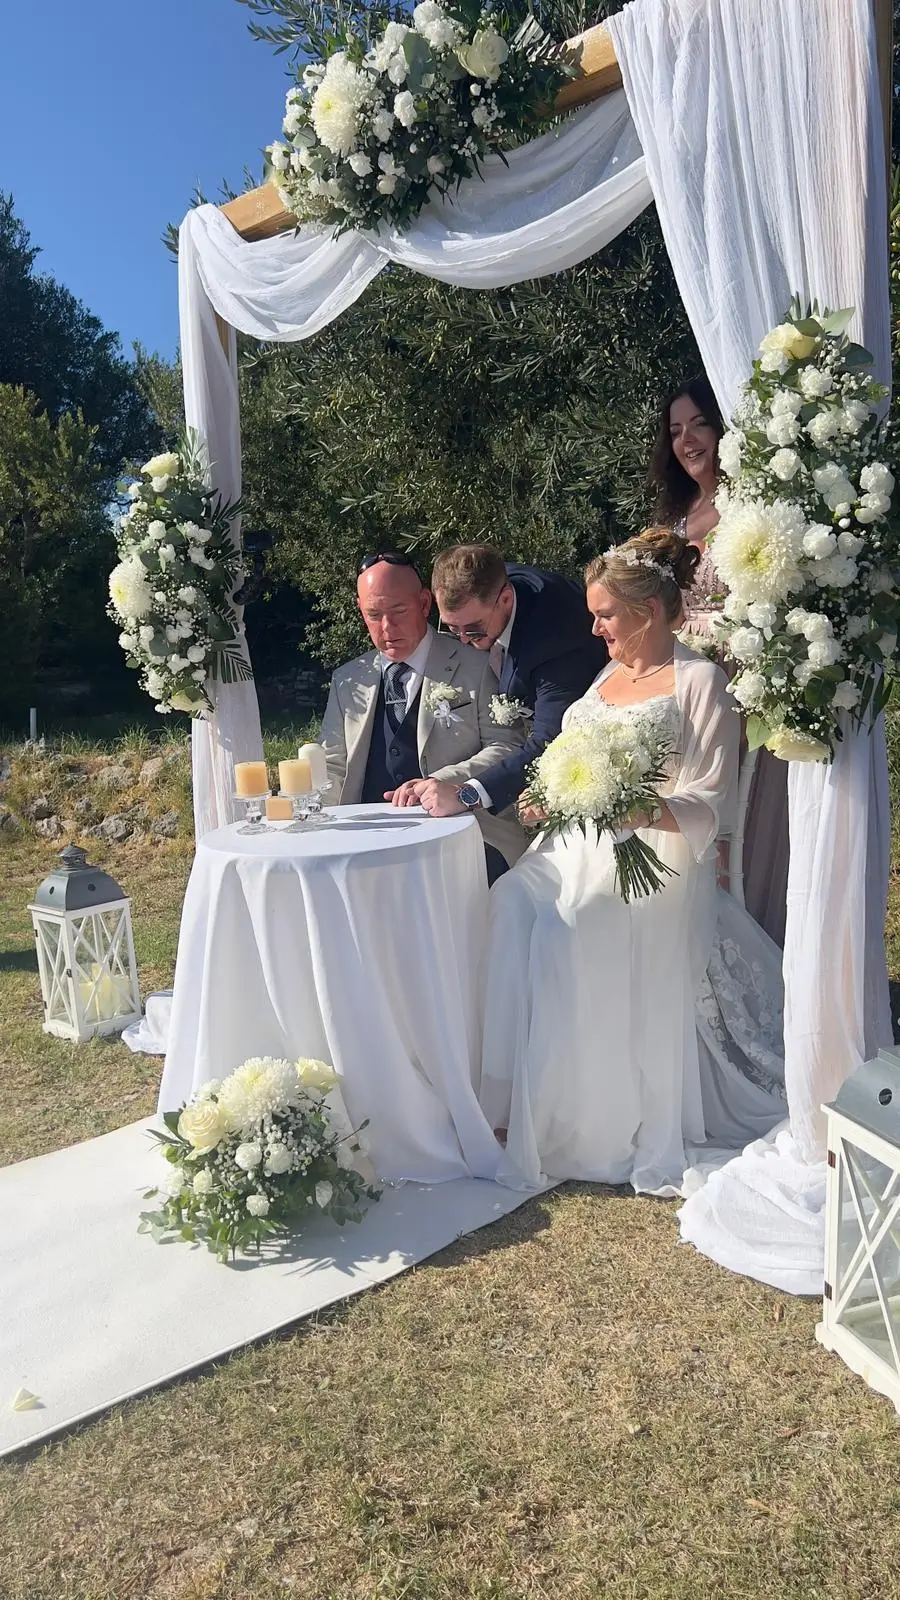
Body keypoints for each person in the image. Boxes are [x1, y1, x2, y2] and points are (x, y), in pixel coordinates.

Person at [480, 529, 745, 1195]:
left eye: (604, 615)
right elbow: (568, 758)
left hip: (653, 854)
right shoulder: (606, 677)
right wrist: (545, 798)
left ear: (647, 611)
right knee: (506, 903)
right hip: (574, 844)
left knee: (571, 927)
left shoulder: (700, 682)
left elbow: (712, 798)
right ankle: (507, 1101)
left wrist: (640, 809)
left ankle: (580, 1124)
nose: (594, 629)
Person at [650, 376, 790, 948]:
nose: (687, 440)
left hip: (743, 675)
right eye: (676, 430)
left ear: (723, 428)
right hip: (688, 680)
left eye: (699, 424)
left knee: (742, 813)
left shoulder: (750, 502)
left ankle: (757, 941)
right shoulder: (678, 513)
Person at [320, 552, 526, 883]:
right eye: (374, 615)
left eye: (398, 611)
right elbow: (331, 765)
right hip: (365, 842)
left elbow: (507, 746)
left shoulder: (477, 663)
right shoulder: (348, 679)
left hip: (464, 834)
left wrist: (445, 782)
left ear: (425, 603)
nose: (387, 627)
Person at [389, 544, 608, 826]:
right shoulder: (489, 581)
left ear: (505, 599)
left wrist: (466, 794)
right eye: (451, 628)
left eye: (473, 628)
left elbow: (549, 742)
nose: (464, 640)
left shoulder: (556, 641)